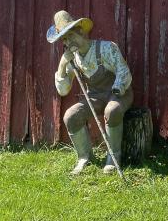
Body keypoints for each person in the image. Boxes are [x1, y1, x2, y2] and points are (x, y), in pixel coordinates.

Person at [46, 10, 133, 175]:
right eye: (64, 39)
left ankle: (113, 157)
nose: (67, 42)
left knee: (112, 110)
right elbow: (63, 90)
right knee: (71, 115)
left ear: (81, 32)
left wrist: (117, 89)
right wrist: (62, 65)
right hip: (95, 97)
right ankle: (84, 157)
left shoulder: (106, 48)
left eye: (70, 36)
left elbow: (124, 73)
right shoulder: (74, 59)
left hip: (119, 93)